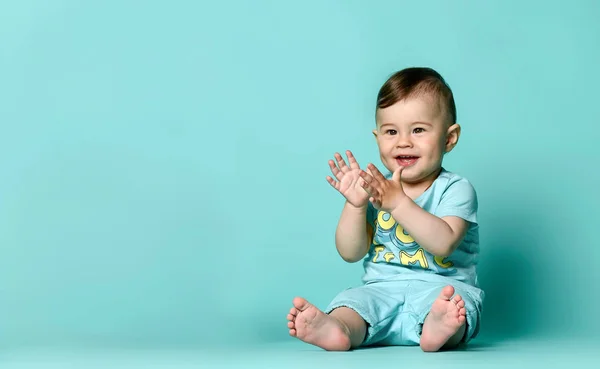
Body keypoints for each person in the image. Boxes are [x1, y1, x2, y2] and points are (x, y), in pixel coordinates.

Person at [286, 67, 484, 352]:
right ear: (377, 138)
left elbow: (443, 243)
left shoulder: (456, 189)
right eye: (391, 131)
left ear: (449, 138)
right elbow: (351, 252)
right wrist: (355, 205)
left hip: (441, 290)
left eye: (418, 130)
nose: (403, 141)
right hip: (382, 289)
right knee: (355, 303)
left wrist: (398, 203)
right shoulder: (374, 189)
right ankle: (338, 329)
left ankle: (438, 329)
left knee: (458, 310)